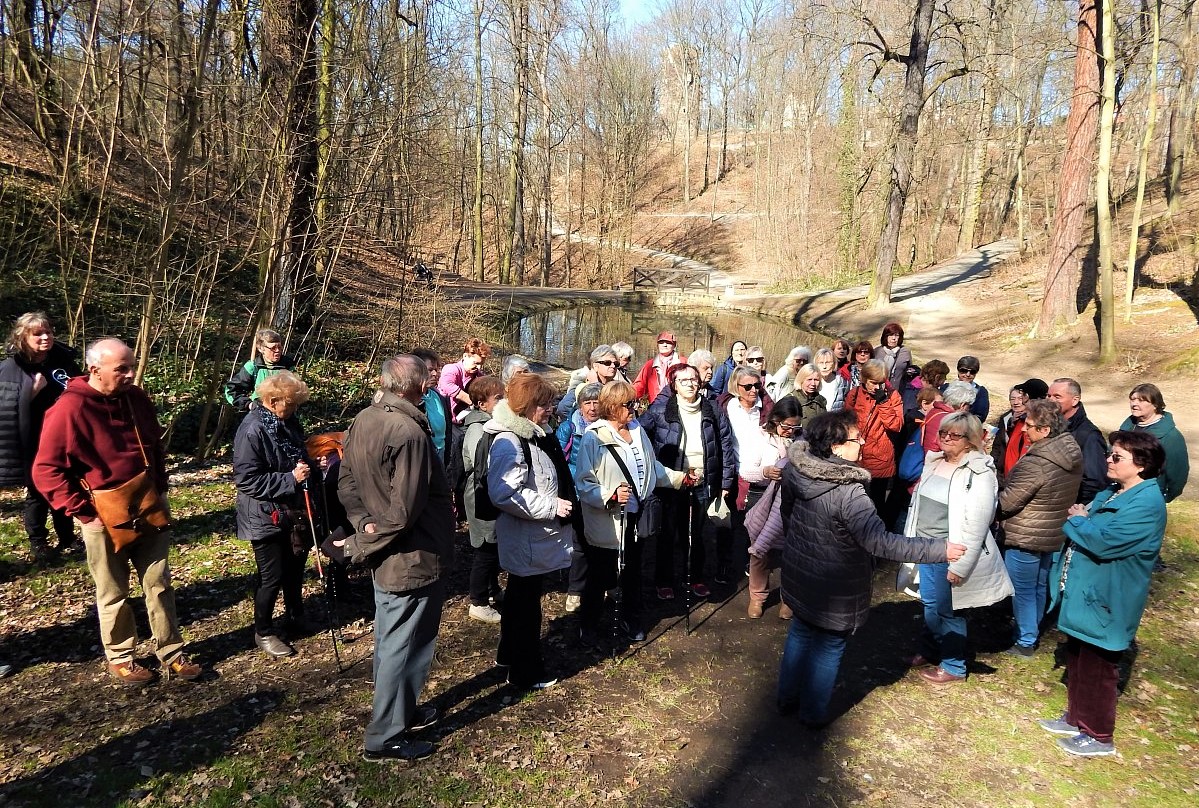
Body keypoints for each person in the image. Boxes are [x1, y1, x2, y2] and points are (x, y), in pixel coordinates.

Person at [32, 338, 202, 685]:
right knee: (113, 592)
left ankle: (171, 651)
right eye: (121, 368)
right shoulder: (69, 409)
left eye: (132, 366)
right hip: (101, 512)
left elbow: (153, 445)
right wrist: (83, 512)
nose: (130, 374)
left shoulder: (136, 398)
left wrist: (160, 485)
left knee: (158, 583)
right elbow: (45, 470)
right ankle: (121, 656)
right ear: (94, 370)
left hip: (148, 503)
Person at [777, 410, 963, 727]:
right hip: (836, 587)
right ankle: (810, 716)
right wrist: (939, 549)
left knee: (801, 632)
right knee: (829, 646)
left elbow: (788, 515)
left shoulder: (797, 471)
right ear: (835, 446)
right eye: (855, 437)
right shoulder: (851, 495)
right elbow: (881, 543)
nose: (862, 441)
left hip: (800, 574)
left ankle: (786, 700)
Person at [338, 354, 454, 763]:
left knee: (395, 639)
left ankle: (400, 712)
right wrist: (361, 541)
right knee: (405, 644)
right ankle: (385, 736)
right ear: (415, 386)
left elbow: (346, 481)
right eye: (427, 378)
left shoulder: (365, 418)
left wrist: (364, 522)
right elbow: (404, 510)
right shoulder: (408, 432)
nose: (431, 383)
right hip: (411, 556)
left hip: (392, 551)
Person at [1041, 430, 1167, 757]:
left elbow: (1104, 542)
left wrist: (1080, 521)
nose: (1108, 460)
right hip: (1088, 592)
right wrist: (1082, 521)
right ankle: (1076, 718)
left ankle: (1098, 735)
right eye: (1111, 454)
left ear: (1141, 465)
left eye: (1117, 457)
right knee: (1079, 658)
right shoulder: (1114, 491)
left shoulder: (1147, 503)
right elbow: (1087, 523)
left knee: (1100, 668)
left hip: (1110, 598)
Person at [575, 381, 690, 644]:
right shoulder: (595, 437)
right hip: (608, 521)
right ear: (612, 408)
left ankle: (630, 618)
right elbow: (584, 483)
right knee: (602, 574)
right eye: (629, 405)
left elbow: (651, 469)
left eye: (636, 403)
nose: (635, 409)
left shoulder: (637, 431)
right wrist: (610, 496)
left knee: (633, 572)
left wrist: (679, 479)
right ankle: (588, 623)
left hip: (636, 518)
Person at [484, 373, 577, 690]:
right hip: (526, 539)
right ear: (527, 406)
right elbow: (504, 494)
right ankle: (525, 672)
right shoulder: (510, 442)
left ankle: (509, 656)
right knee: (525, 609)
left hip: (533, 539)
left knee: (520, 600)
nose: (551, 408)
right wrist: (551, 507)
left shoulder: (535, 435)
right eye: (545, 403)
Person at [905, 412, 1012, 684]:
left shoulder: (979, 472)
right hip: (924, 546)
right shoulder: (935, 461)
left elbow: (977, 523)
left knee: (948, 611)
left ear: (971, 440)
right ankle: (930, 650)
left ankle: (953, 664)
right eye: (943, 433)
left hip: (949, 552)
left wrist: (961, 565)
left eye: (955, 435)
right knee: (930, 604)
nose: (947, 439)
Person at [232, 371, 319, 658]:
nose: (295, 409)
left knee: (295, 567)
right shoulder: (252, 430)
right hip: (264, 514)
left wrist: (310, 465)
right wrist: (290, 479)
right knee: (272, 576)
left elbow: (297, 455)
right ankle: (264, 631)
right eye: (291, 404)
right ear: (272, 401)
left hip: (292, 510)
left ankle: (296, 615)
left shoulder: (287, 422)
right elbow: (247, 481)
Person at [640, 364, 734, 601]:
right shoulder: (661, 409)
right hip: (673, 481)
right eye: (684, 380)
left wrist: (725, 483)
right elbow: (639, 433)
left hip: (704, 479)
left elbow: (725, 447)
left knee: (696, 533)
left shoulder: (712, 409)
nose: (691, 384)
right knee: (668, 532)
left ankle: (695, 577)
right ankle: (664, 580)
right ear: (674, 385)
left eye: (694, 379)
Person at [996, 399, 1082, 656]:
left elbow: (1008, 503)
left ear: (1045, 430)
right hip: (1052, 531)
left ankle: (1025, 640)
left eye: (1030, 426)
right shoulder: (1070, 450)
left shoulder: (1037, 462)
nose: (1024, 430)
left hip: (1026, 534)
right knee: (1038, 585)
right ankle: (1030, 630)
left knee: (1021, 590)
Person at [0, 312, 83, 562]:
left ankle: (67, 537)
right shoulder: (11, 368)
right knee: (37, 492)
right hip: (33, 439)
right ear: (23, 336)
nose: (45, 337)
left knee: (66, 484)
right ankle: (38, 543)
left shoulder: (62, 358)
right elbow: (5, 407)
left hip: (64, 435)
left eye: (48, 331)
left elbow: (81, 385)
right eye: (38, 333)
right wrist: (31, 392)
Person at [745, 397, 803, 618]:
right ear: (775, 419)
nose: (791, 431)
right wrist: (765, 472)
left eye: (795, 426)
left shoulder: (803, 439)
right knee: (760, 552)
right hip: (762, 498)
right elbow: (746, 471)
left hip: (792, 501)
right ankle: (757, 597)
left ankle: (789, 598)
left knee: (792, 551)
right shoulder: (760, 437)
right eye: (787, 426)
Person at [717, 365, 776, 583]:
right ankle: (723, 563)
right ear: (736, 387)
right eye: (748, 386)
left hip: (757, 474)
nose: (753, 390)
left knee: (752, 522)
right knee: (726, 522)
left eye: (757, 385)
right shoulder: (725, 407)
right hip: (731, 471)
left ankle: (748, 561)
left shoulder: (766, 409)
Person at [461, 375, 506, 623]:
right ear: (481, 404)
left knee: (494, 542)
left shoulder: (491, 423)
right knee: (485, 546)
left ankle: (493, 589)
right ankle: (477, 601)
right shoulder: (478, 428)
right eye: (497, 398)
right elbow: (482, 466)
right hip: (479, 493)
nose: (503, 402)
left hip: (488, 491)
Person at [556, 382, 602, 612]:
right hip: (577, 492)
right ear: (579, 405)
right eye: (588, 403)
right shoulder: (568, 428)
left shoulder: (607, 427)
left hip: (602, 492)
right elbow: (558, 460)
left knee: (603, 541)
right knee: (580, 543)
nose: (592, 408)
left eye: (596, 402)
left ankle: (604, 583)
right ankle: (575, 590)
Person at [842, 360, 903, 517]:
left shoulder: (893, 396)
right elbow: (845, 424)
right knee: (851, 504)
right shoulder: (854, 394)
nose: (877, 387)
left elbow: (896, 425)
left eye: (881, 383)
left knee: (875, 506)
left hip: (879, 459)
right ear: (864, 379)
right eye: (873, 383)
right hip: (855, 457)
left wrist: (883, 403)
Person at [1119, 383, 1188, 503]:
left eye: (1141, 401)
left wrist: (1163, 497)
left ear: (1155, 404)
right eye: (1132, 400)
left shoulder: (1171, 436)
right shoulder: (1126, 428)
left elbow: (1178, 474)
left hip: (1148, 497)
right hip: (1121, 491)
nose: (1134, 404)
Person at [1048, 378, 1108, 504]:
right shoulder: (1051, 427)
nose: (1051, 400)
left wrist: (1074, 509)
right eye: (1048, 396)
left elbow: (1094, 481)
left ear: (1075, 400)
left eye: (1057, 396)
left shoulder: (1088, 435)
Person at [224, 328, 295, 411]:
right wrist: (249, 404)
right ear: (261, 349)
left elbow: (298, 391)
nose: (277, 351)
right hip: (259, 415)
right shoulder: (253, 367)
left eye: (279, 347)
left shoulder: (288, 365)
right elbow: (231, 389)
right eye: (273, 348)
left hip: (284, 416)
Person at [557, 345, 619, 418]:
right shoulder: (582, 388)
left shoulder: (617, 388)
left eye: (616, 363)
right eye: (607, 363)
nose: (613, 366)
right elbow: (563, 408)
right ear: (595, 366)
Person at [438, 337, 491, 423]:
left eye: (481, 364)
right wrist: (469, 400)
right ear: (465, 356)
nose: (479, 367)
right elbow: (446, 385)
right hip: (445, 418)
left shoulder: (479, 377)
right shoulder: (451, 369)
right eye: (476, 363)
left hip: (465, 420)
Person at [991, 385, 1031, 484]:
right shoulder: (1005, 418)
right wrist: (994, 464)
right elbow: (997, 445)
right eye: (1012, 399)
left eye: (1020, 399)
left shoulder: (1032, 420)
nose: (1016, 402)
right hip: (1003, 469)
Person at [633, 331, 687, 402]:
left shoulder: (683, 362)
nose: (664, 345)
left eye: (668, 343)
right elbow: (640, 385)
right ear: (657, 345)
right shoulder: (650, 365)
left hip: (680, 404)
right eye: (661, 342)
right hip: (656, 405)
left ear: (674, 345)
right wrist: (628, 396)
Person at [946, 356, 989, 423]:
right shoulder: (946, 387)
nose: (968, 374)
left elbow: (981, 417)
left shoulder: (981, 392)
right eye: (964, 371)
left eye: (972, 372)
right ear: (958, 370)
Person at [873, 323, 912, 392]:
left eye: (897, 335)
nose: (893, 338)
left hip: (898, 391)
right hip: (879, 391)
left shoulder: (905, 352)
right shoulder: (877, 351)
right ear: (885, 336)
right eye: (890, 335)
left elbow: (910, 369)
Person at [813, 348, 846, 412]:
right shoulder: (811, 382)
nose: (824, 366)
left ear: (834, 364)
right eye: (821, 363)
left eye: (828, 362)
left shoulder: (843, 382)